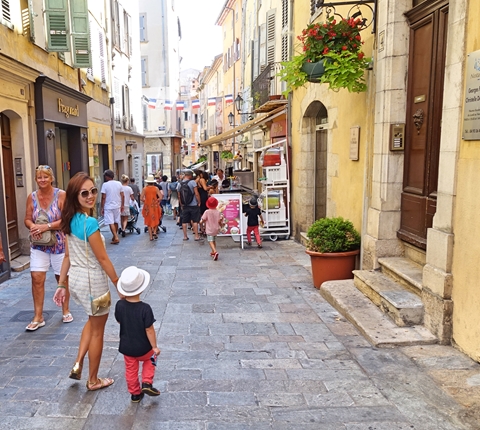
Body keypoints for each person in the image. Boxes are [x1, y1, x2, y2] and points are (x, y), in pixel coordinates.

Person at [53, 172, 121, 391]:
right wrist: (118, 283)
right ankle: (93, 380)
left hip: (78, 281)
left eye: (93, 191)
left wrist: (62, 284)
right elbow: (102, 258)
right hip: (95, 285)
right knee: (98, 330)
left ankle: (77, 363)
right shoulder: (90, 223)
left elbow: (67, 256)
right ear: (75, 196)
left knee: (92, 323)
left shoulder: (70, 220)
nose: (91, 196)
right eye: (85, 193)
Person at [24, 165, 72, 331]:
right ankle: (38, 316)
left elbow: (67, 219)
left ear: (51, 178)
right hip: (39, 244)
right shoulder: (32, 197)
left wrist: (47, 226)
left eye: (45, 177)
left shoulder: (61, 195)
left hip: (59, 244)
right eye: (39, 177)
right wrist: (32, 226)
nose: (42, 180)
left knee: (62, 278)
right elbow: (27, 218)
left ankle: (65, 310)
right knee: (36, 278)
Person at [114, 266, 161, 402]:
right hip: (144, 347)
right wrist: (155, 347)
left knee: (130, 369)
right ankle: (147, 382)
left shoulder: (119, 305)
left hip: (127, 347)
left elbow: (119, 320)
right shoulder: (145, 309)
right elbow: (149, 329)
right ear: (141, 288)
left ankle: (135, 393)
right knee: (151, 358)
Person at [100, 170, 124, 245]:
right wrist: (122, 205)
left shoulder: (105, 185)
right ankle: (115, 236)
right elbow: (122, 195)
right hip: (117, 205)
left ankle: (116, 237)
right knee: (116, 221)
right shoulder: (119, 183)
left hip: (108, 206)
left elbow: (103, 197)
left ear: (107, 176)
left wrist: (102, 207)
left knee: (110, 222)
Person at [177, 169, 202, 241]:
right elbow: (196, 193)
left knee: (184, 221)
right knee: (195, 220)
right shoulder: (193, 182)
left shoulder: (179, 184)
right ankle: (196, 236)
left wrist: (181, 204)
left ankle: (185, 236)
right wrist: (199, 201)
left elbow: (179, 196)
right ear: (190, 175)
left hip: (185, 205)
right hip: (193, 204)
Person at [200, 196, 223, 261]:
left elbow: (203, 219)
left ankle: (215, 251)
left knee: (210, 241)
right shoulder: (218, 212)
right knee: (214, 240)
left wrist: (201, 222)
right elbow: (219, 220)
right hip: (216, 228)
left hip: (209, 229)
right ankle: (213, 252)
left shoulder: (207, 212)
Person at [141, 175, 162, 241]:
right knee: (156, 218)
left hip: (147, 206)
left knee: (148, 221)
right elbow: (160, 197)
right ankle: (155, 231)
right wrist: (156, 201)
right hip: (155, 206)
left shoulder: (145, 189)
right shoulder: (156, 188)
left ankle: (150, 237)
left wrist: (146, 201)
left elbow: (141, 198)